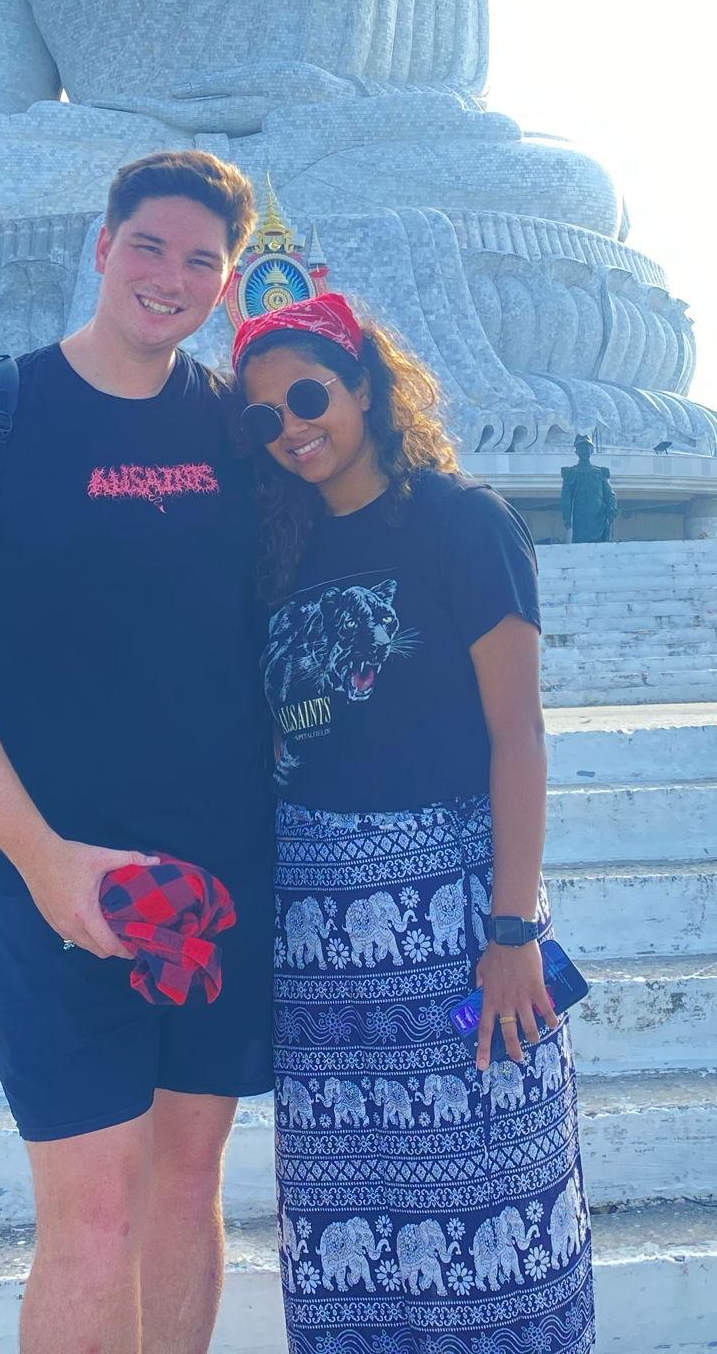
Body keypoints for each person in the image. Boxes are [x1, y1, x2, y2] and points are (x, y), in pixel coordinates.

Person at [0, 151, 271, 1354]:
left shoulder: (236, 426)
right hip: (49, 877)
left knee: (186, 1180)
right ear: (102, 247)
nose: (169, 275)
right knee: (93, 1210)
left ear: (226, 282)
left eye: (200, 259)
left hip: (216, 875)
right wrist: (44, 861)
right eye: (148, 244)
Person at [235, 292, 594, 1352]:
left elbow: (518, 735)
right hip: (319, 944)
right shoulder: (276, 550)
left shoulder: (461, 522)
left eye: (309, 397)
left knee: (495, 1218)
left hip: (456, 917)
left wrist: (512, 931)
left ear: (364, 387)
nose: (291, 428)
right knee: (348, 1234)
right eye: (263, 417)